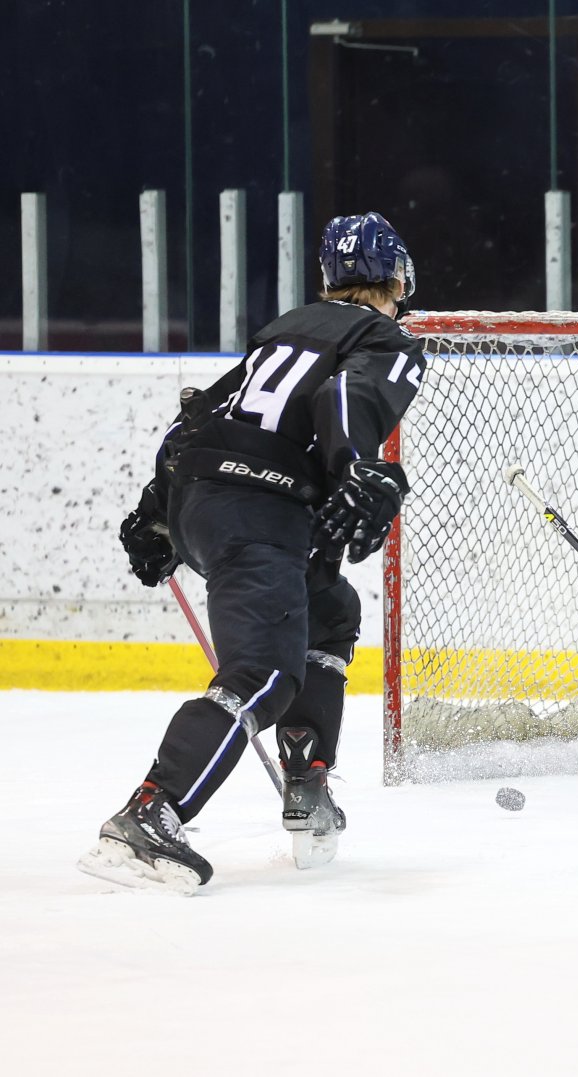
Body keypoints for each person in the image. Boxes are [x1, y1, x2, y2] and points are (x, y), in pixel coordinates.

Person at [80, 212, 426, 893]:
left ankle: (307, 777)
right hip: (260, 509)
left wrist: (157, 516)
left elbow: (194, 422)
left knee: (330, 609)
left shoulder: (287, 328)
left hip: (207, 500)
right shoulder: (385, 337)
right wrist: (356, 467)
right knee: (263, 673)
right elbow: (347, 396)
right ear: (397, 279)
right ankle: (152, 810)